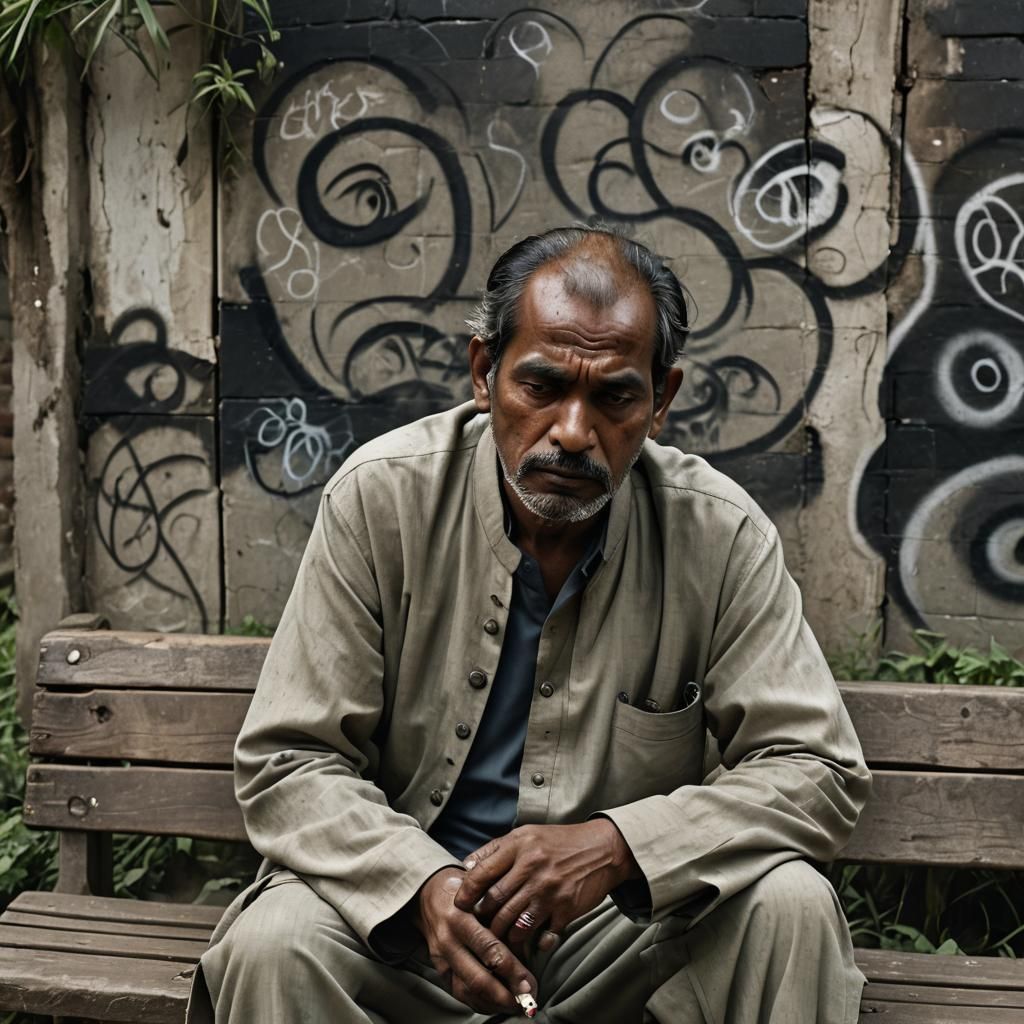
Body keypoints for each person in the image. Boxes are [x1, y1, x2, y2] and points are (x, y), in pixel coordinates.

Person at [186, 226, 871, 1024]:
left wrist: (616, 846)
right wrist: (420, 885)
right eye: (542, 386)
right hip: (408, 939)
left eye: (615, 396)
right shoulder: (382, 499)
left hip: (616, 938)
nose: (574, 432)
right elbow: (290, 758)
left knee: (790, 904)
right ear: (485, 373)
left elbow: (817, 769)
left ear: (661, 402)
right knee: (276, 942)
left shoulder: (718, 534)